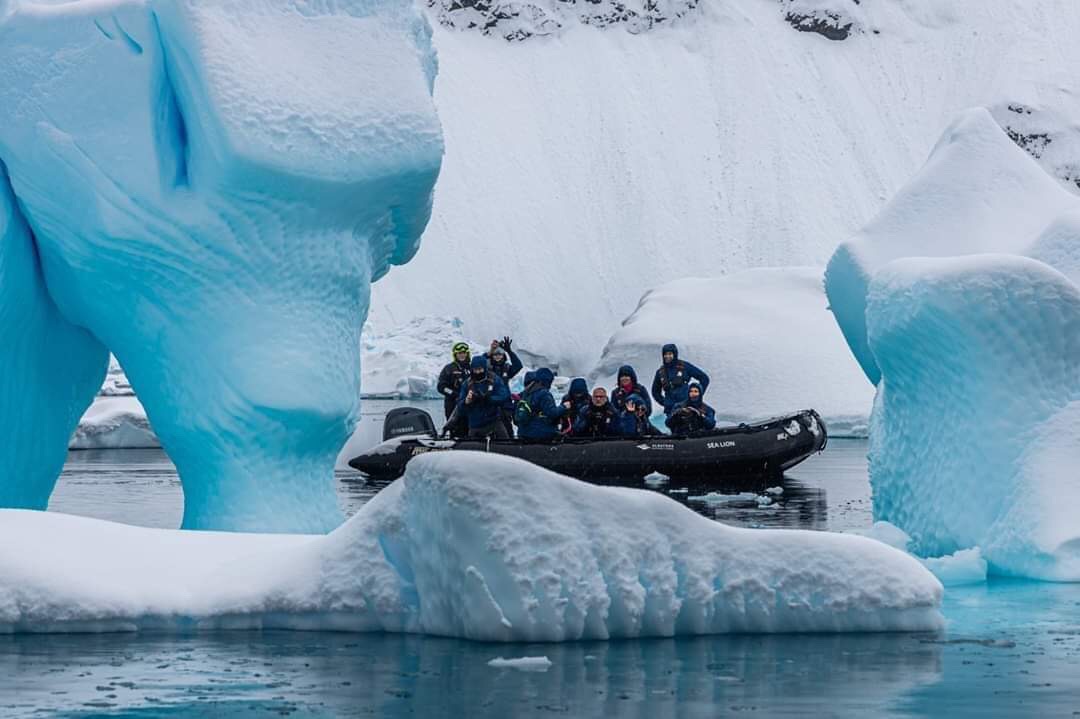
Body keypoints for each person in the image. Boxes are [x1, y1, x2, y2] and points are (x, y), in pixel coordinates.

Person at [454, 356, 511, 439]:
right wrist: (466, 401)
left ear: (485, 368)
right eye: (475, 369)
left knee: (505, 442)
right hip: (475, 424)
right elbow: (460, 407)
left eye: (480, 369)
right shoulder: (466, 384)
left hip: (493, 421)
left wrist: (489, 399)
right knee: (473, 448)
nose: (477, 372)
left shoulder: (495, 379)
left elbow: (504, 395)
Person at [651, 343, 710, 416]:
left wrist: (697, 396)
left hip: (687, 407)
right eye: (665, 354)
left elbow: (704, 378)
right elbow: (655, 392)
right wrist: (665, 402)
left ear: (675, 354)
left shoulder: (684, 366)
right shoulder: (660, 372)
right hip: (671, 410)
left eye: (670, 354)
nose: (667, 356)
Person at [515, 367, 567, 440]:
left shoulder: (526, 392)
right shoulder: (544, 394)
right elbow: (552, 413)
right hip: (540, 432)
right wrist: (563, 407)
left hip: (523, 431)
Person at [486, 337, 523, 436]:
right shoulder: (488, 369)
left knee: (507, 427)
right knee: (492, 427)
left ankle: (509, 443)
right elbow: (477, 363)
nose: (498, 357)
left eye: (500, 354)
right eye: (495, 355)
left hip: (505, 404)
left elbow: (518, 366)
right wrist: (490, 351)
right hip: (491, 402)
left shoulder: (506, 368)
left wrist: (509, 351)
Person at [437, 342, 471, 437]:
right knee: (455, 428)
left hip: (469, 404)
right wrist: (455, 394)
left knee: (469, 428)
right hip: (453, 405)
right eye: (459, 353)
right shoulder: (449, 369)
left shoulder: (472, 368)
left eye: (464, 352)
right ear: (455, 354)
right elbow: (441, 387)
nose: (462, 355)